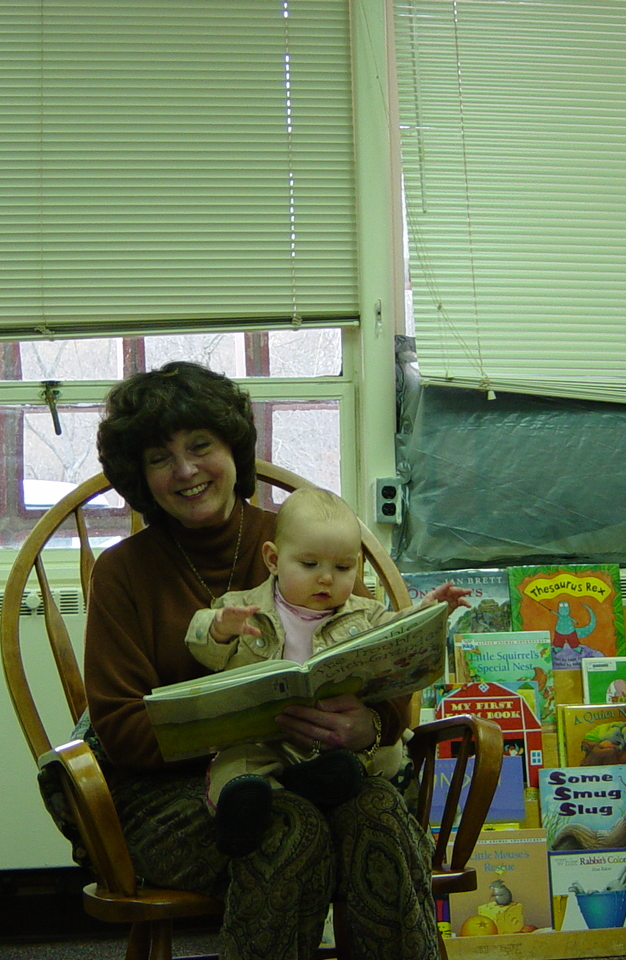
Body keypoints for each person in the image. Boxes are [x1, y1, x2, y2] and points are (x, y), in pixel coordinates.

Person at [84, 360, 444, 960]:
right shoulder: (123, 572)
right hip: (169, 795)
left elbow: (380, 671)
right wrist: (241, 726)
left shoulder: (309, 543)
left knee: (378, 814)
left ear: (234, 449)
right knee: (288, 828)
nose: (186, 470)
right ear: (140, 476)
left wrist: (369, 725)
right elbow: (121, 731)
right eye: (160, 458)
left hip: (322, 766)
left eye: (201, 446)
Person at [186, 486, 466, 856]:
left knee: (383, 755)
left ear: (357, 566)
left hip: (336, 743)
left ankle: (321, 783)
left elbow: (399, 636)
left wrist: (427, 611)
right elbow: (204, 652)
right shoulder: (242, 609)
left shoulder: (364, 614)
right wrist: (219, 628)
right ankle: (243, 815)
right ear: (273, 559)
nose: (326, 579)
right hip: (264, 741)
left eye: (343, 568)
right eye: (309, 564)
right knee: (235, 769)